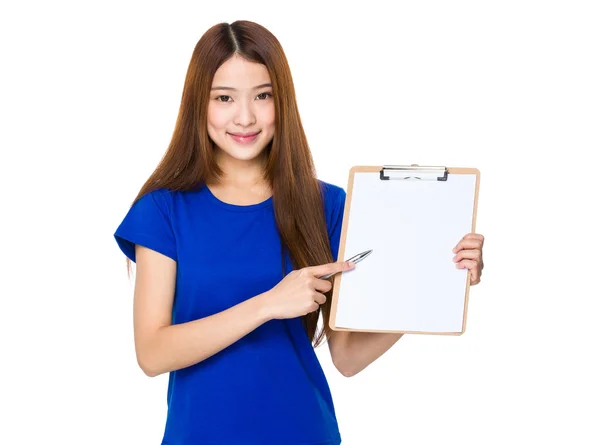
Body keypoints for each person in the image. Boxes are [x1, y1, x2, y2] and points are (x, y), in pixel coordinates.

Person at [113, 20, 485, 445]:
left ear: (282, 101)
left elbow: (347, 357)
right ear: (199, 103)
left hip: (304, 432)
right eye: (224, 98)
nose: (245, 117)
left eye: (263, 96)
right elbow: (153, 352)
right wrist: (269, 304)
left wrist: (437, 280)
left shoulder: (325, 204)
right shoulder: (163, 210)